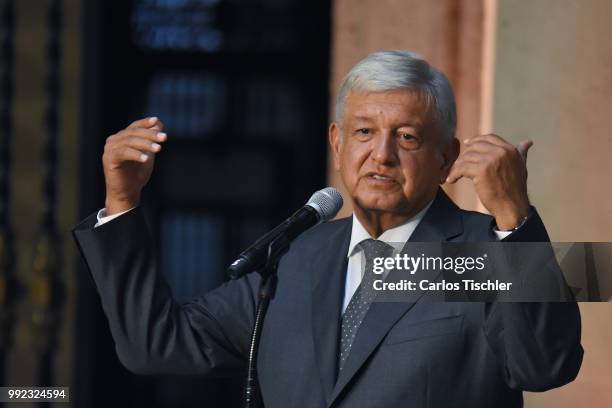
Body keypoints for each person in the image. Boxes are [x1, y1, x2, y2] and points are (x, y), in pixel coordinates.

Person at [73, 50, 582, 407]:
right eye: (364, 132)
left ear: (447, 155)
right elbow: (156, 346)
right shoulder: (297, 256)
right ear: (337, 143)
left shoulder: (481, 251)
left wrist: (515, 218)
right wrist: (123, 201)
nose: (381, 155)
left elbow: (545, 368)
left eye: (407, 136)